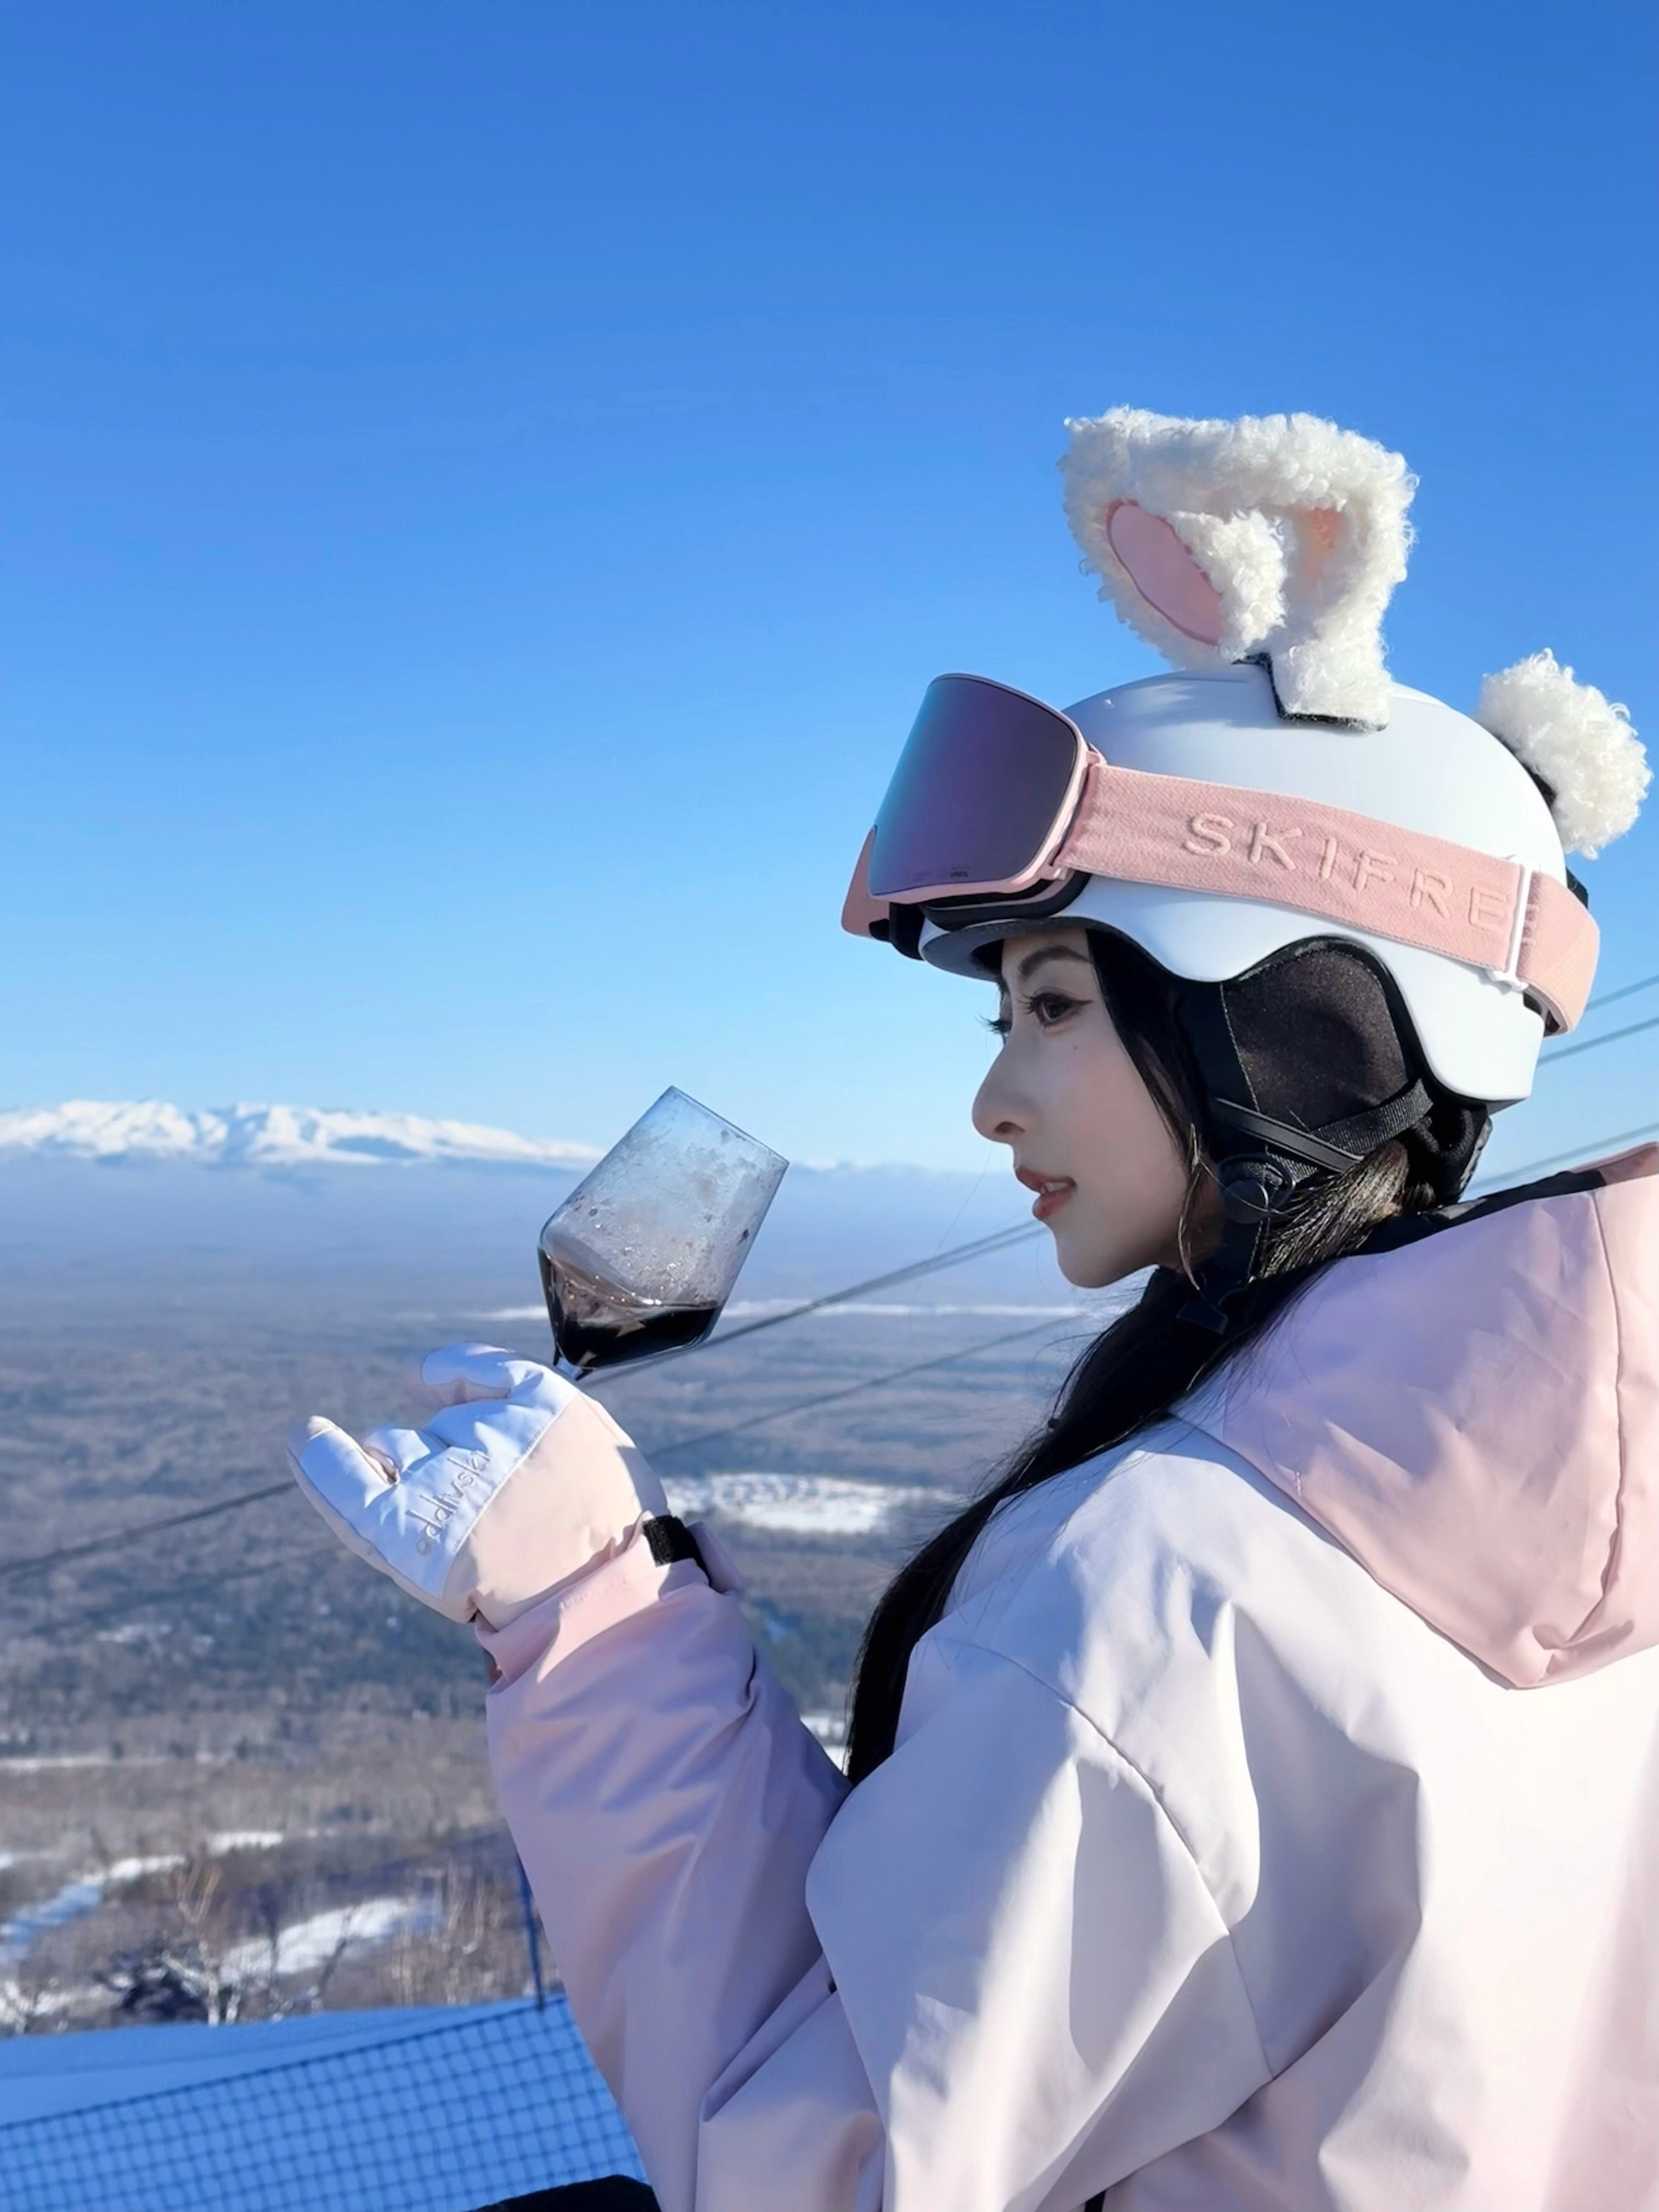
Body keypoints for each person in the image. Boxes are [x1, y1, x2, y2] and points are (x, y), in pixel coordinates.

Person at [288, 409, 1657, 2211]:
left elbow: (811, 2172)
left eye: (1056, 1002)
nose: (994, 1100)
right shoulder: (1584, 1490)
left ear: (1297, 1015)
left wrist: (583, 1613)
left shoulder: (1177, 1598)